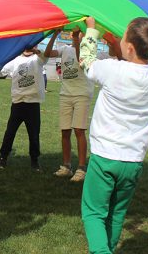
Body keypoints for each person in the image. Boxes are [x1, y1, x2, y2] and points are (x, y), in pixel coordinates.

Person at [78, 17, 148, 254]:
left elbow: (86, 61)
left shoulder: (112, 69)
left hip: (105, 156)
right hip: (133, 160)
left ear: (129, 47)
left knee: (93, 212)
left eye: (123, 35)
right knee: (116, 213)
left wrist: (91, 30)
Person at [50, 29, 94, 182]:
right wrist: (54, 34)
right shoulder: (64, 49)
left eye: (80, 32)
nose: (77, 35)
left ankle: (81, 168)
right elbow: (48, 53)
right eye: (75, 33)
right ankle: (66, 166)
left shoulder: (87, 51)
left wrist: (76, 40)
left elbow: (81, 60)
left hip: (82, 94)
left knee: (79, 130)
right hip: (65, 94)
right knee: (65, 131)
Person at [0, 42, 48, 171]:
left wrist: (36, 51)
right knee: (10, 132)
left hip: (33, 103)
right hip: (18, 103)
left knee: (34, 134)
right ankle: (3, 157)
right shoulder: (15, 60)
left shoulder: (37, 59)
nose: (29, 47)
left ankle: (35, 161)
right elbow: (0, 69)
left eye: (32, 45)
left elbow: (45, 57)